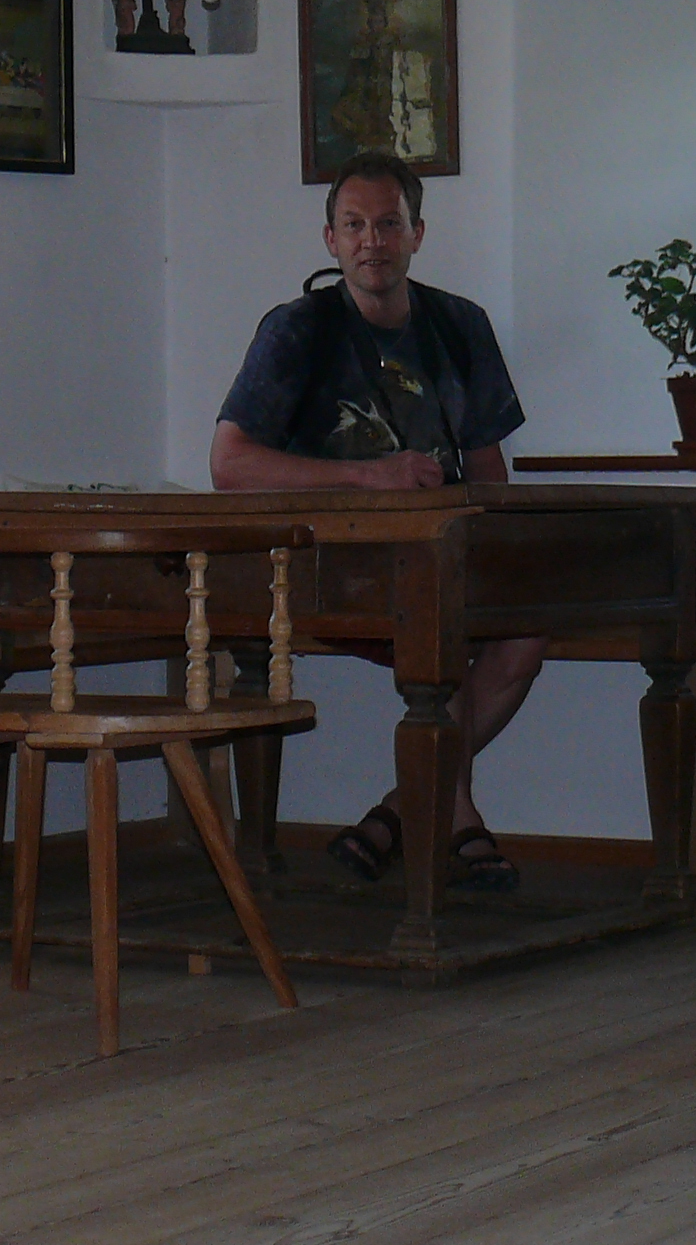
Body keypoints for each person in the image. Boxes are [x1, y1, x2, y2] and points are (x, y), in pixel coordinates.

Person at [212, 152, 544, 893]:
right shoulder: (296, 330)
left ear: (417, 234)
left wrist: (493, 548)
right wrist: (369, 476)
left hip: (441, 551)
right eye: (355, 225)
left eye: (389, 224)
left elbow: (487, 467)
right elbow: (229, 464)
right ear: (330, 239)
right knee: (440, 625)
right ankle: (455, 817)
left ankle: (398, 812)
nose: (373, 241)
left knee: (525, 633)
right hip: (327, 562)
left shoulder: (461, 324)